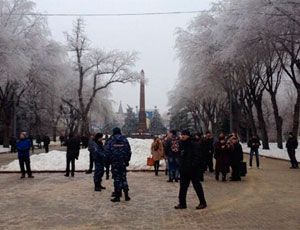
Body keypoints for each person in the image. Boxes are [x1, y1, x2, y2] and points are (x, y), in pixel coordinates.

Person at [174, 130, 207, 210]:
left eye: (184, 135)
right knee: (183, 187)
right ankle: (182, 203)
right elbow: (179, 155)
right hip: (184, 169)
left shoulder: (194, 144)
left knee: (197, 186)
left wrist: (193, 165)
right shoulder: (181, 144)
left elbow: (198, 156)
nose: (183, 136)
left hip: (193, 170)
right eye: (182, 135)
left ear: (188, 136)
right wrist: (180, 163)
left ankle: (202, 202)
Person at [105, 127, 132, 202]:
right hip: (122, 162)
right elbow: (128, 151)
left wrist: (108, 161)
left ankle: (117, 196)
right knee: (123, 178)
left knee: (116, 179)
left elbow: (107, 151)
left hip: (114, 162)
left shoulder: (111, 140)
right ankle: (126, 195)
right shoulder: (124, 140)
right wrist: (126, 160)